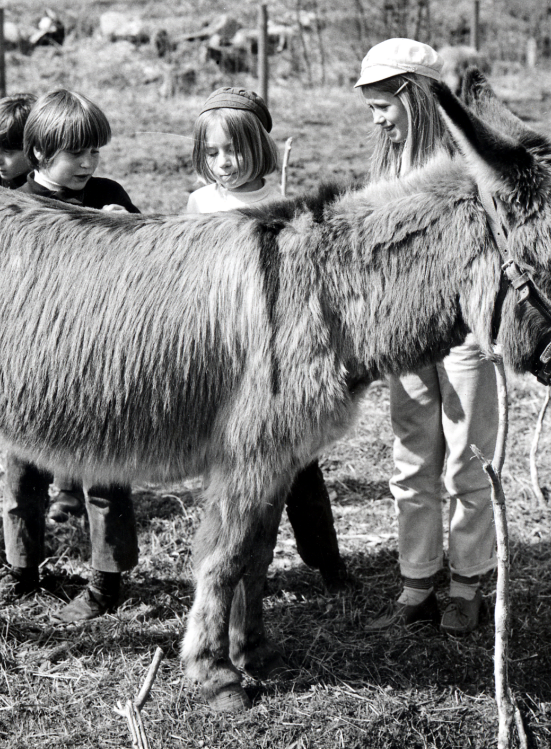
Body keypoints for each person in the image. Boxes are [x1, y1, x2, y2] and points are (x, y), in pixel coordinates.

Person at [186, 87, 359, 594]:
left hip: (281, 358)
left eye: (233, 150)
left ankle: (325, 559)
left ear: (260, 147)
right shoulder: (199, 205)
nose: (223, 163)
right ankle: (237, 565)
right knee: (235, 470)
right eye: (211, 153)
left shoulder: (278, 204)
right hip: (223, 353)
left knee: (300, 473)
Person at [355, 38, 499, 637]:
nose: (378, 120)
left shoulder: (470, 163)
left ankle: (467, 581)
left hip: (465, 335)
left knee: (469, 461)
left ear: (415, 97)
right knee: (412, 461)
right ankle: (417, 581)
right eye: (371, 108)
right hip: (406, 338)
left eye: (384, 105)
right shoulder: (385, 169)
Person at [4, 87, 141, 622]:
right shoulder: (13, 205)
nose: (88, 163)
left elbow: (149, 262)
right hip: (29, 365)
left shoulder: (108, 193)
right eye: (76, 153)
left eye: (94, 151)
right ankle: (23, 569)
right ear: (39, 153)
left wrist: (127, 229)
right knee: (23, 473)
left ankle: (107, 581)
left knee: (106, 476)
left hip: (98, 363)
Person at [0, 95, 87, 527]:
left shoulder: (93, 196)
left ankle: (68, 490)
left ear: (35, 148)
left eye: (9, 150)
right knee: (22, 457)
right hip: (24, 344)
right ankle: (21, 557)